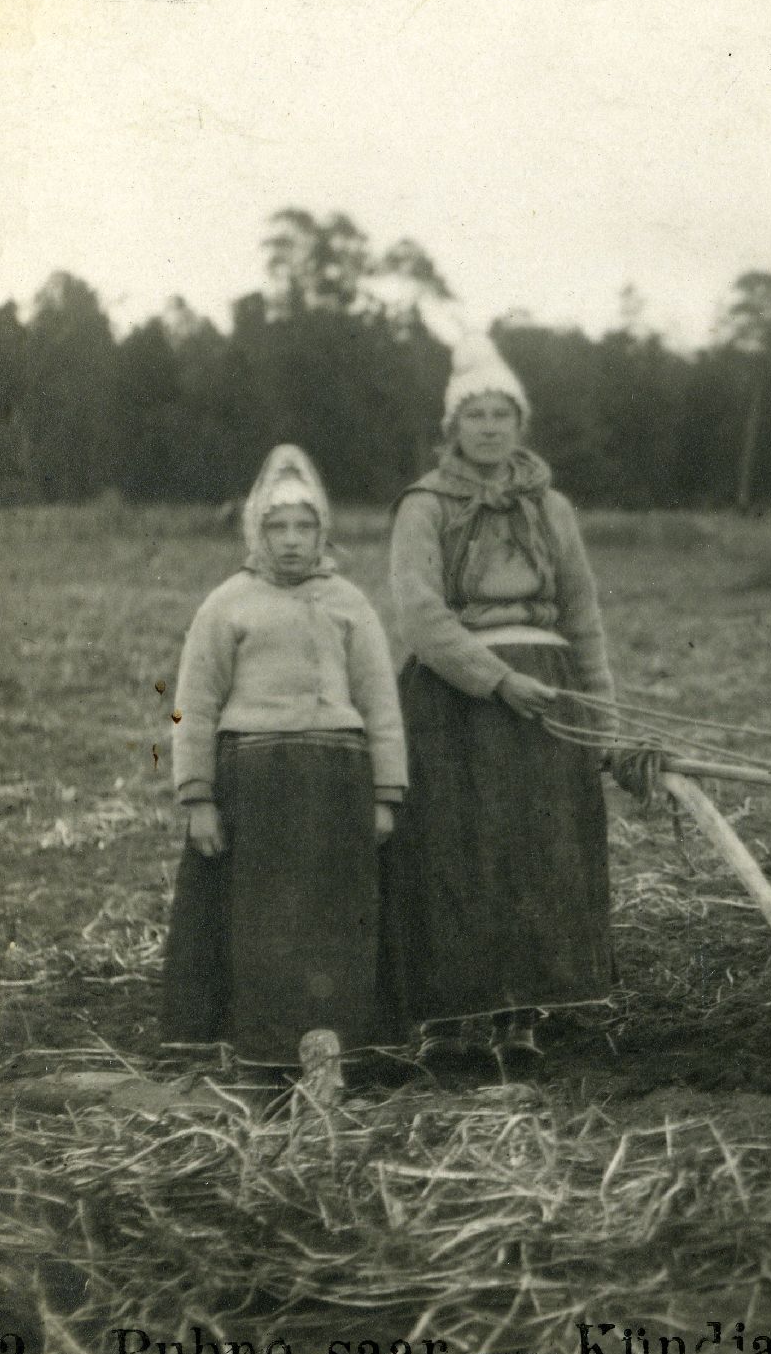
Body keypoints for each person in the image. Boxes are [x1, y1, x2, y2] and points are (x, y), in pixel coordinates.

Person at [379, 328, 629, 1055]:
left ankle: (529, 1013)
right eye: (475, 416)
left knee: (542, 849)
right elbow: (421, 616)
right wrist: (494, 681)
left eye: (502, 416)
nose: (489, 429)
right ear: (452, 429)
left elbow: (584, 617)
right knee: (457, 853)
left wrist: (602, 720)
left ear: (520, 425)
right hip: (454, 701)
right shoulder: (423, 506)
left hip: (548, 694)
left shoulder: (552, 509)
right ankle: (454, 1017)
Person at [163, 445, 404, 1081]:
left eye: (305, 527)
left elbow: (380, 704)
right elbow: (191, 704)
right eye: (278, 527)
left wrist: (384, 795)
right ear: (256, 530)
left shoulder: (350, 603)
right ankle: (260, 1060)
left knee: (335, 923)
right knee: (261, 927)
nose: (292, 541)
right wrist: (197, 797)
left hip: (337, 791)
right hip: (257, 787)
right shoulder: (226, 604)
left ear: (322, 532)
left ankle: (333, 1056)